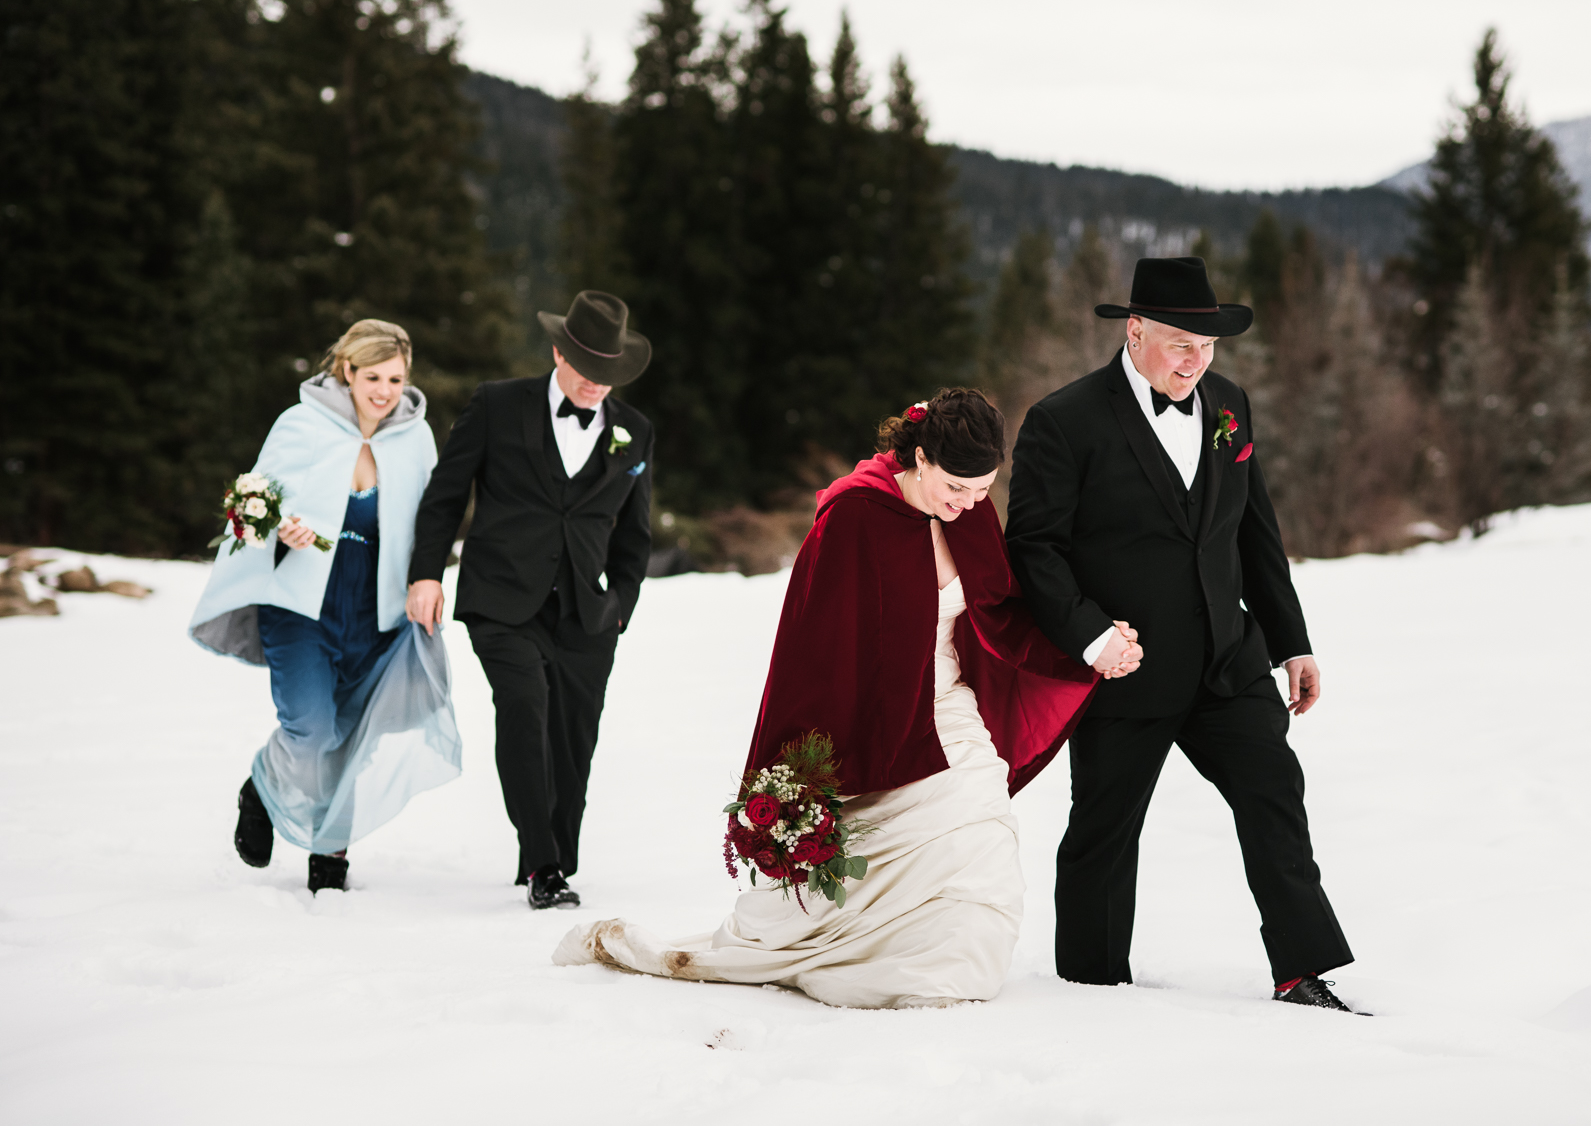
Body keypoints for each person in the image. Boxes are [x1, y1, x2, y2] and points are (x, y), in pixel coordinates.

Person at [551, 389, 1110, 1008]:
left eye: (983, 490)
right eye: (957, 487)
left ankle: (950, 961)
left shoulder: (967, 511)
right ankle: (845, 952)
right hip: (872, 720)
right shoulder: (853, 519)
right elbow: (808, 655)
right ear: (919, 459)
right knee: (856, 874)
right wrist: (795, 775)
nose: (971, 503)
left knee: (981, 835)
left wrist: (1085, 651)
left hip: (951, 707)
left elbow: (1001, 612)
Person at [1005, 256, 1363, 1013]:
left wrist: (1290, 642)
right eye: (1178, 343)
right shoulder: (1062, 422)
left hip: (1229, 666)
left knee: (1274, 795)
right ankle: (1092, 988)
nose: (1195, 361)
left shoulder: (1229, 406)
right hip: (1124, 669)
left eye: (1207, 347)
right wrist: (1091, 637)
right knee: (1103, 833)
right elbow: (1033, 549)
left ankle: (1301, 971)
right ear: (1134, 332)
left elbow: (1254, 534)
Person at [190, 319, 460, 893]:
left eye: (395, 378)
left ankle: (329, 850)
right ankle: (261, 785)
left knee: (352, 736)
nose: (384, 391)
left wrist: (428, 580)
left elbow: (430, 525)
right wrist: (277, 529)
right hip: (303, 607)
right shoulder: (301, 424)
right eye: (372, 377)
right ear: (347, 372)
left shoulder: (415, 437)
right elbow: (249, 504)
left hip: (378, 611)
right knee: (310, 730)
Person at [407, 291, 654, 910]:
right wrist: (426, 574)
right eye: (586, 367)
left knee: (574, 737)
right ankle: (544, 865)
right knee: (523, 705)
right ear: (557, 352)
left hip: (586, 614)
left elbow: (635, 534)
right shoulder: (497, 405)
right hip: (500, 599)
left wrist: (619, 604)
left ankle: (554, 857)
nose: (597, 383)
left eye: (609, 372)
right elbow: (446, 494)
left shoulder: (635, 432)